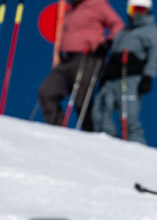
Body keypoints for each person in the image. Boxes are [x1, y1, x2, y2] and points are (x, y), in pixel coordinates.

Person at [38, 0, 124, 131]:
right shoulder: (70, 10)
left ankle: (93, 136)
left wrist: (108, 43)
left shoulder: (97, 4)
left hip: (88, 58)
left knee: (82, 100)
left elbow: (118, 25)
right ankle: (58, 130)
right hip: (66, 60)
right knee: (47, 92)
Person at [93, 0, 157, 144]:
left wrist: (148, 76)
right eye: (133, 9)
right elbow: (113, 50)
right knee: (99, 113)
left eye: (140, 9)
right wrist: (106, 47)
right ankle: (110, 143)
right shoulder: (122, 31)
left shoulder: (151, 30)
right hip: (111, 77)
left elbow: (155, 54)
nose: (136, 13)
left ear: (147, 11)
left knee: (128, 117)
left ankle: (137, 152)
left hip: (131, 77)